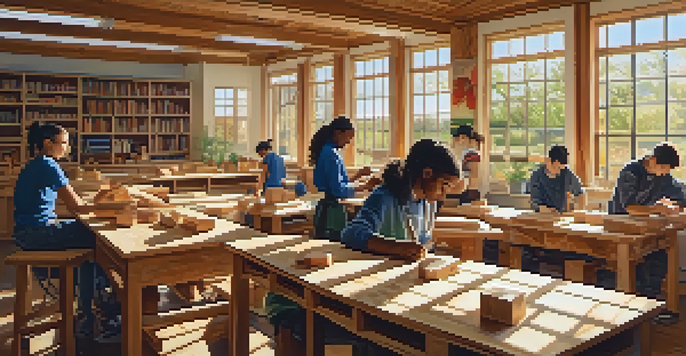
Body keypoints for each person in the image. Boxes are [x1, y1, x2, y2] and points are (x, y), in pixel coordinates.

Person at [13, 122, 121, 343]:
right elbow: (77, 207)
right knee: (100, 240)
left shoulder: (35, 164)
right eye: (63, 143)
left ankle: (88, 313)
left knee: (89, 246)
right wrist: (116, 208)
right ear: (47, 143)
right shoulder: (48, 165)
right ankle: (107, 313)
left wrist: (96, 206)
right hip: (37, 234)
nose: (66, 148)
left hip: (26, 232)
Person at [341, 139, 461, 257]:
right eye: (445, 185)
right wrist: (397, 248)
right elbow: (350, 234)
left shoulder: (428, 203)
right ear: (427, 174)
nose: (444, 195)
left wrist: (429, 247)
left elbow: (423, 240)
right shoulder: (385, 196)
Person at [608, 143, 684, 324]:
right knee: (635, 265)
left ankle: (651, 308)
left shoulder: (663, 175)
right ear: (654, 160)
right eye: (664, 168)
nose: (666, 173)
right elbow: (630, 207)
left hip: (646, 225)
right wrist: (656, 208)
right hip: (621, 224)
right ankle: (633, 315)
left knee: (659, 257)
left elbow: (679, 193)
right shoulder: (631, 172)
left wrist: (675, 206)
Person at [310, 116, 373, 241]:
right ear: (338, 133)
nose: (348, 142)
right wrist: (365, 186)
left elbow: (338, 183)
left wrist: (358, 176)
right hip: (331, 214)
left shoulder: (328, 151)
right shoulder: (331, 154)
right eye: (348, 137)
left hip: (328, 210)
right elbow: (338, 190)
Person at [529, 145, 586, 213]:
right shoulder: (537, 176)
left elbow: (581, 193)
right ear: (548, 161)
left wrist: (580, 210)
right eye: (557, 168)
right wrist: (546, 210)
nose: (559, 172)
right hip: (543, 216)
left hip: (562, 217)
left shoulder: (567, 173)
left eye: (561, 169)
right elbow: (535, 202)